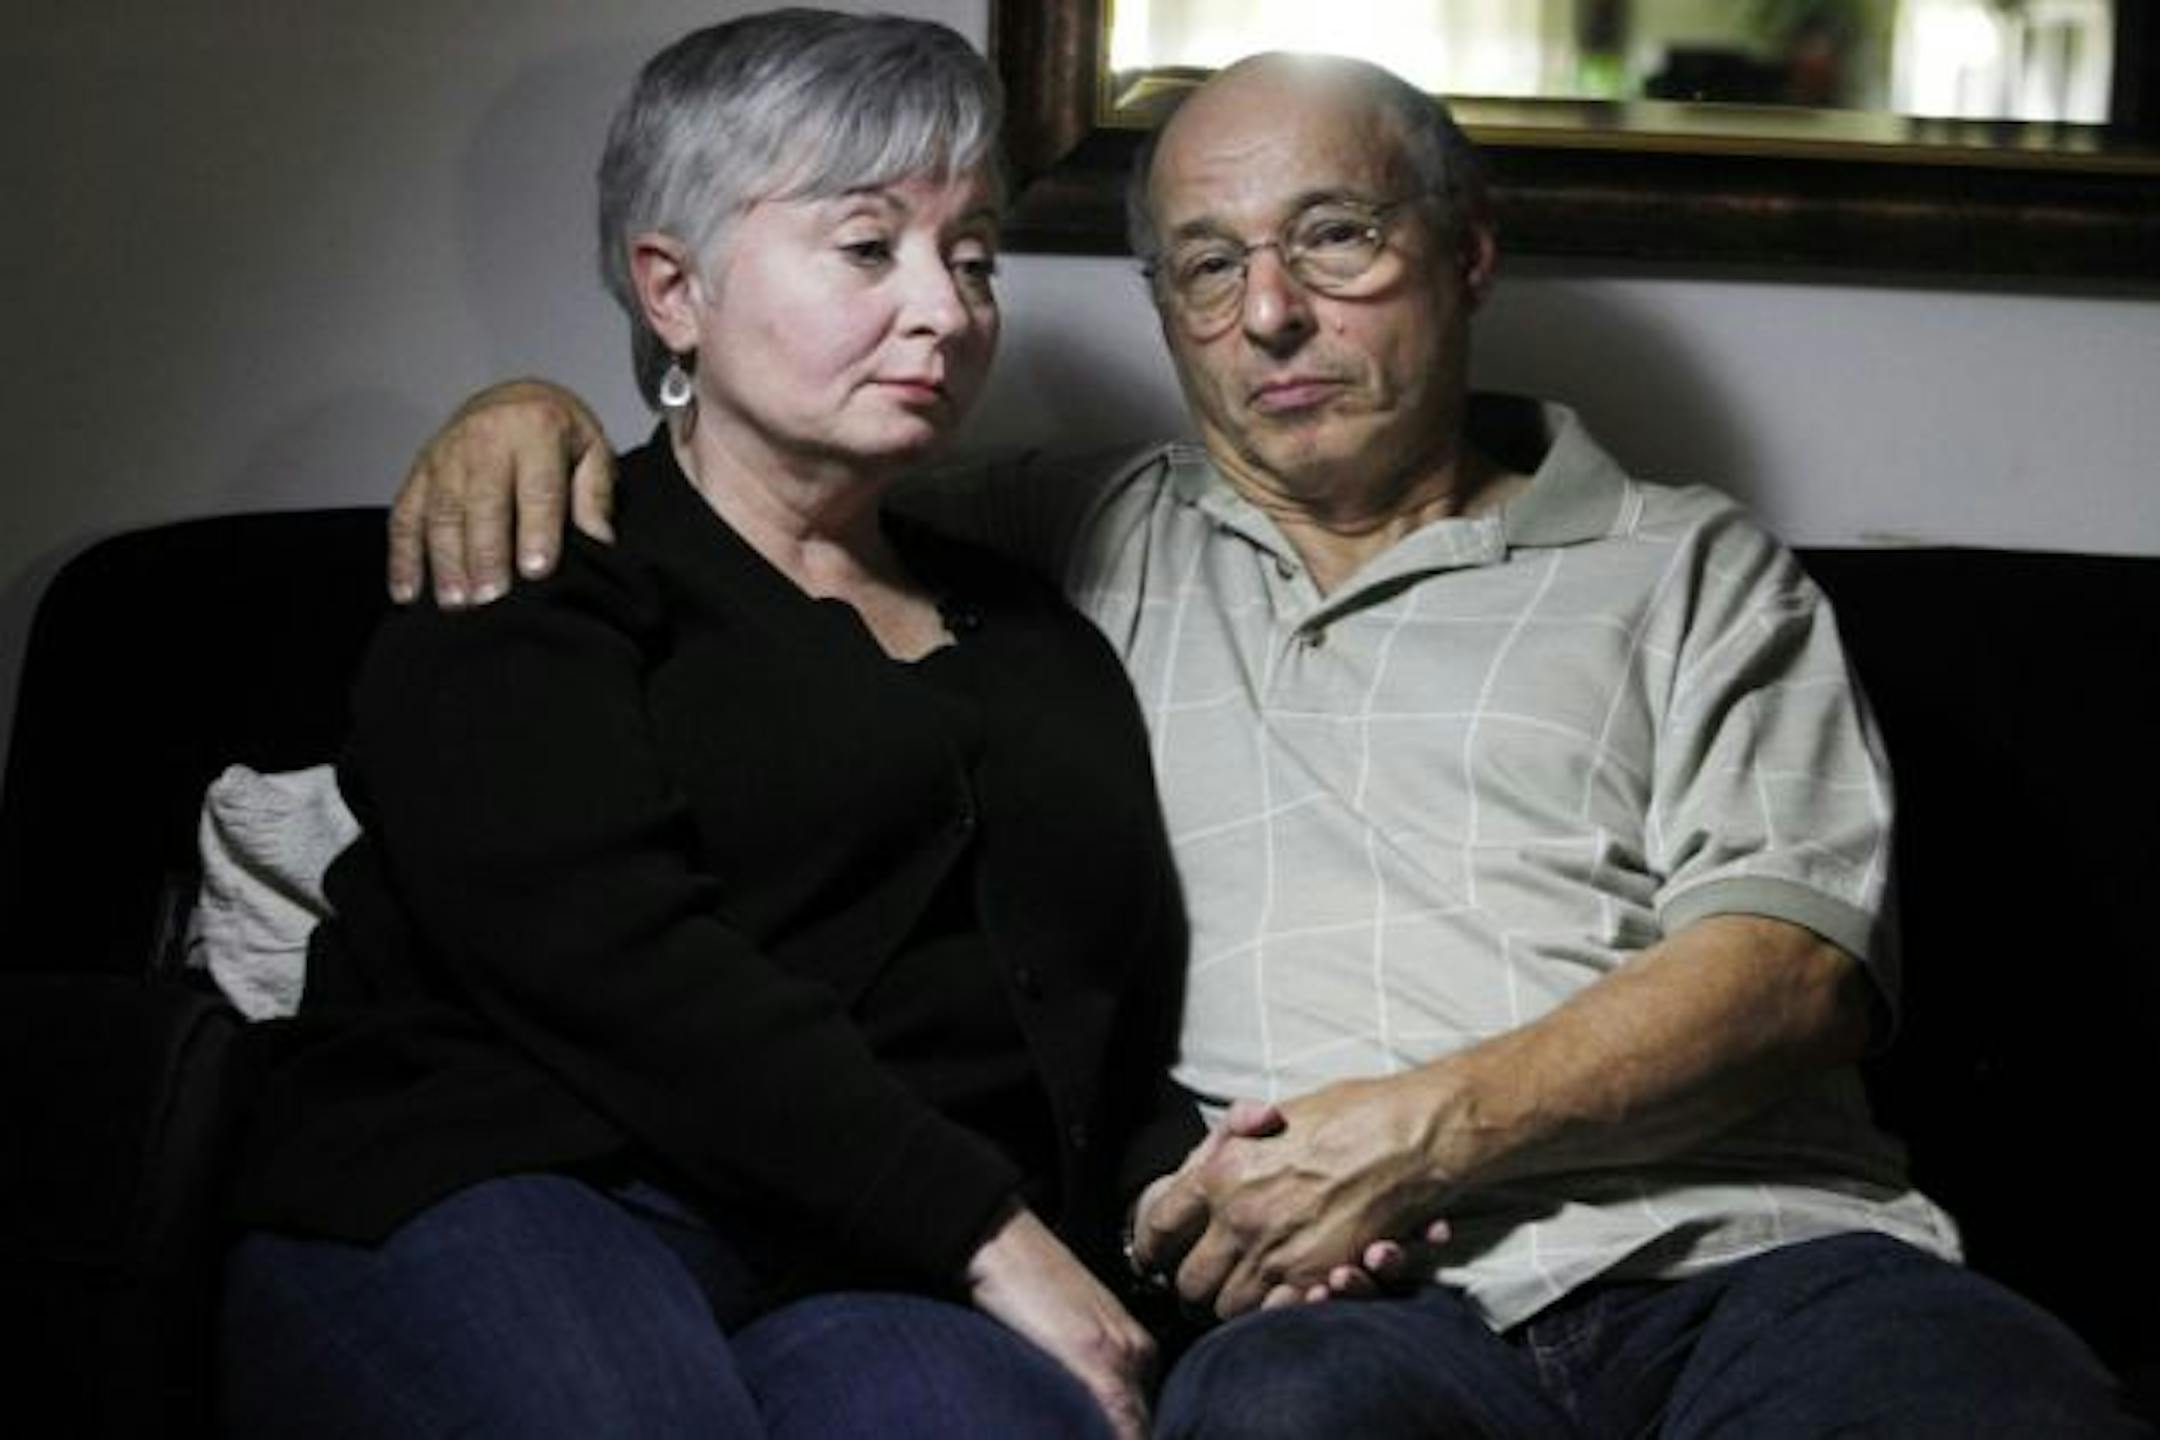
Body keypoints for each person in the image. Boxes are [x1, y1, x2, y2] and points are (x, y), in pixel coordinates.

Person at [383, 48, 2151, 1440]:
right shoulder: (1067, 553)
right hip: (1329, 1319)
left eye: (1337, 237)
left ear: (1466, 253)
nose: (1271, 319)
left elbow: (1793, 971)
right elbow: (767, 494)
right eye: (1206, 269)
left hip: (1739, 1256)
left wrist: (1434, 1127)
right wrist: (526, 415)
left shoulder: (1688, 566)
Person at [220, 13, 1192, 1438]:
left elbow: (1089, 1017)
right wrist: (990, 1234)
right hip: (508, 1185)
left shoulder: (1038, 638)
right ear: (673, 290)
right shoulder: (538, 559)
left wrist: (1196, 1193)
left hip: (864, 1262)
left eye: (972, 257)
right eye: (868, 247)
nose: (945, 309)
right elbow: (606, 959)